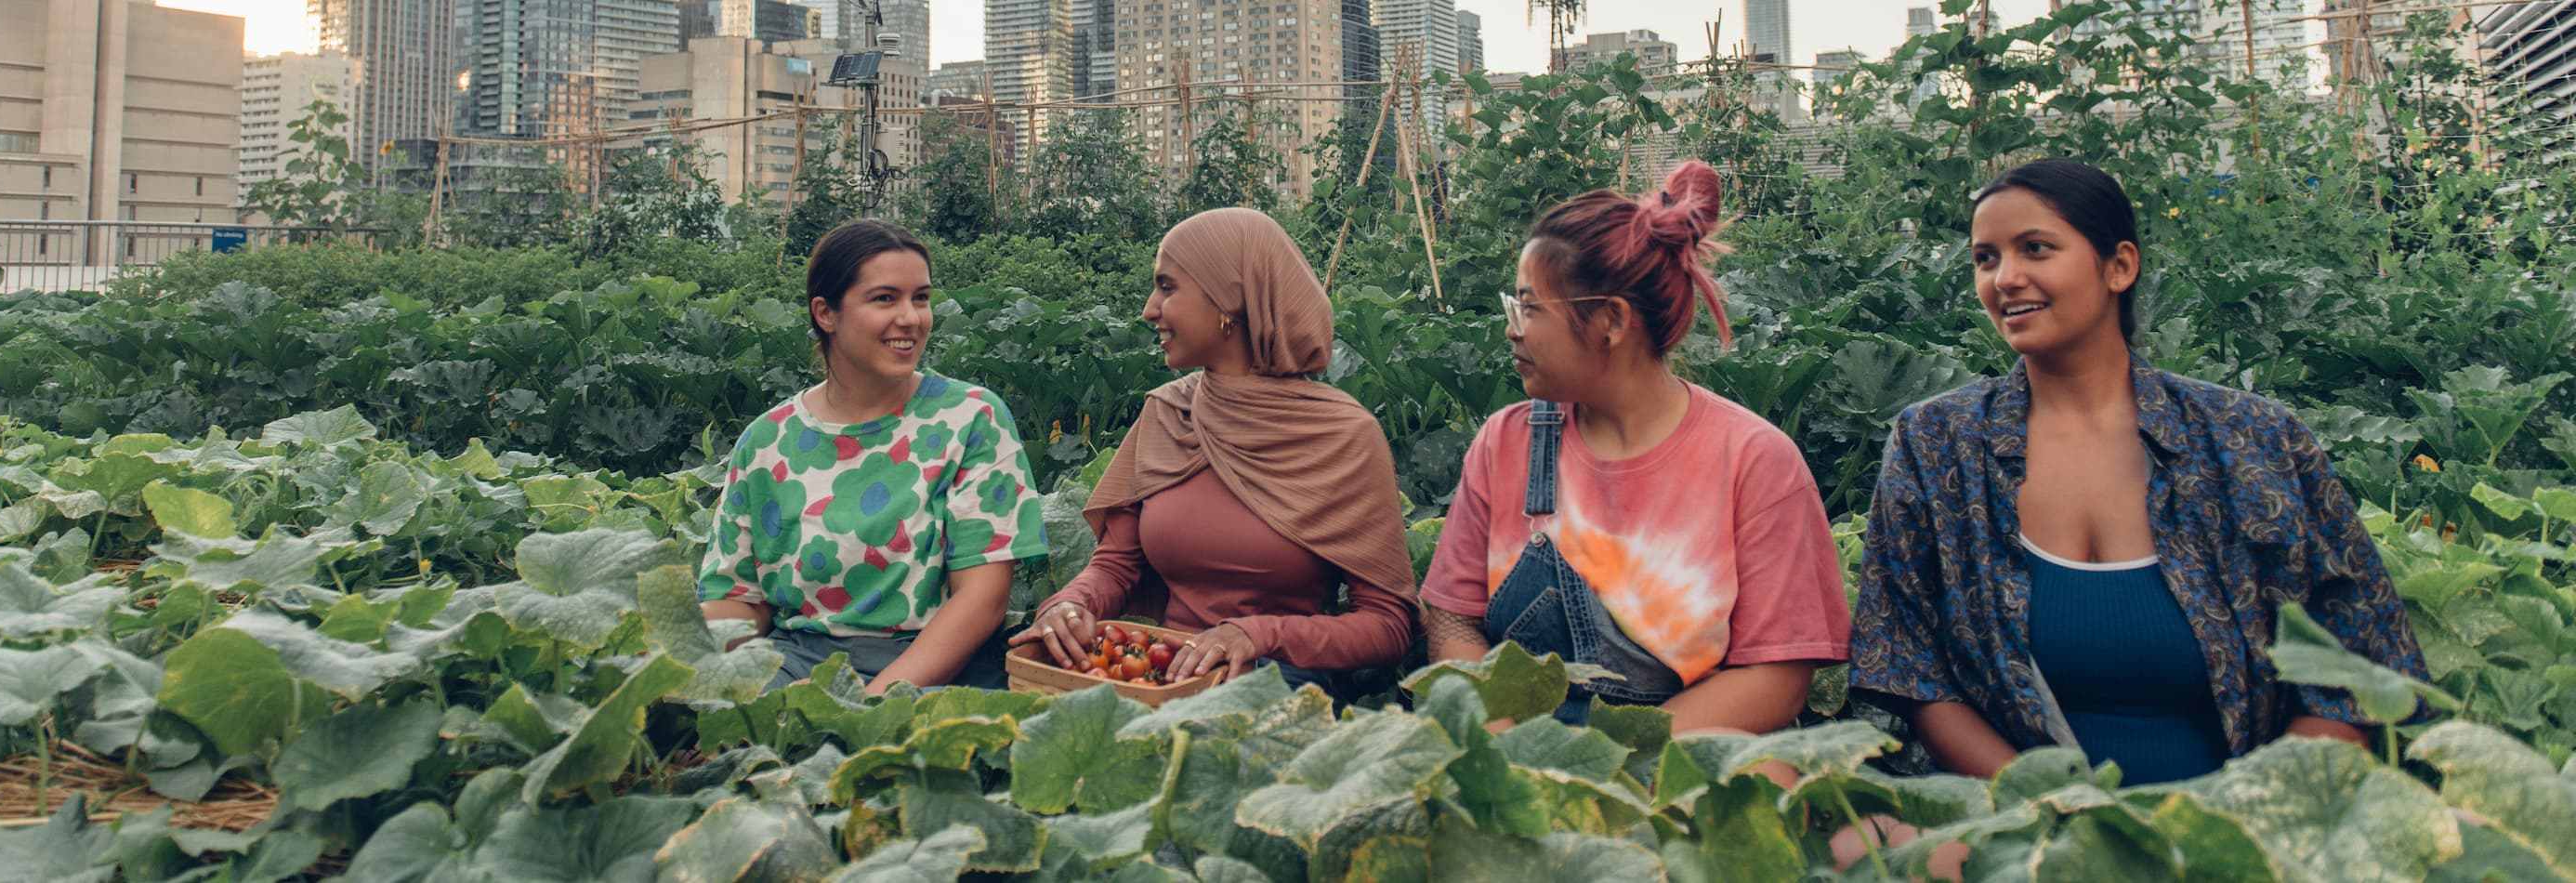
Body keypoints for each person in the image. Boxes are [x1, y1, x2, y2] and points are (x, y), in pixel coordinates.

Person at [1847, 159, 2428, 787]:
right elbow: (1912, 671)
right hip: (2015, 827)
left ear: (2119, 266)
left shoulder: (2252, 439)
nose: (2006, 279)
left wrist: (2244, 816)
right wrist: (2058, 809)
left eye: (2035, 249)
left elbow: (2356, 665)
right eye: (1986, 258)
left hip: (2242, 830)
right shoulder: (1938, 446)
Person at [1418, 162, 1851, 732]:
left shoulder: (1753, 460)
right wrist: (1505, 744)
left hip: (1686, 759)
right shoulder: (1506, 442)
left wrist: (1616, 762)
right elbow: (1452, 618)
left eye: (1530, 307)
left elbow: (1776, 678)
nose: (1512, 329)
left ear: (1611, 321)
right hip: (1519, 749)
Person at [1011, 207, 1417, 692]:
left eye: (1167, 287)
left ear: (1230, 298)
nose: (1148, 309)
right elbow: (1116, 564)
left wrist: (1257, 635)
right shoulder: (1167, 413)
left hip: (1273, 685)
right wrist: (1072, 603)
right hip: (1155, 675)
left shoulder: (1344, 435)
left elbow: (1388, 625)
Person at [698, 218, 1049, 694]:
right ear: (826, 313)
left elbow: (981, 599)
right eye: (885, 298)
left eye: (920, 298)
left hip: (934, 672)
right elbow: (741, 601)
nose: (911, 318)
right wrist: (683, 658)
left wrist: (874, 705)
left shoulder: (971, 418)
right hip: (796, 666)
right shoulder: (767, 441)